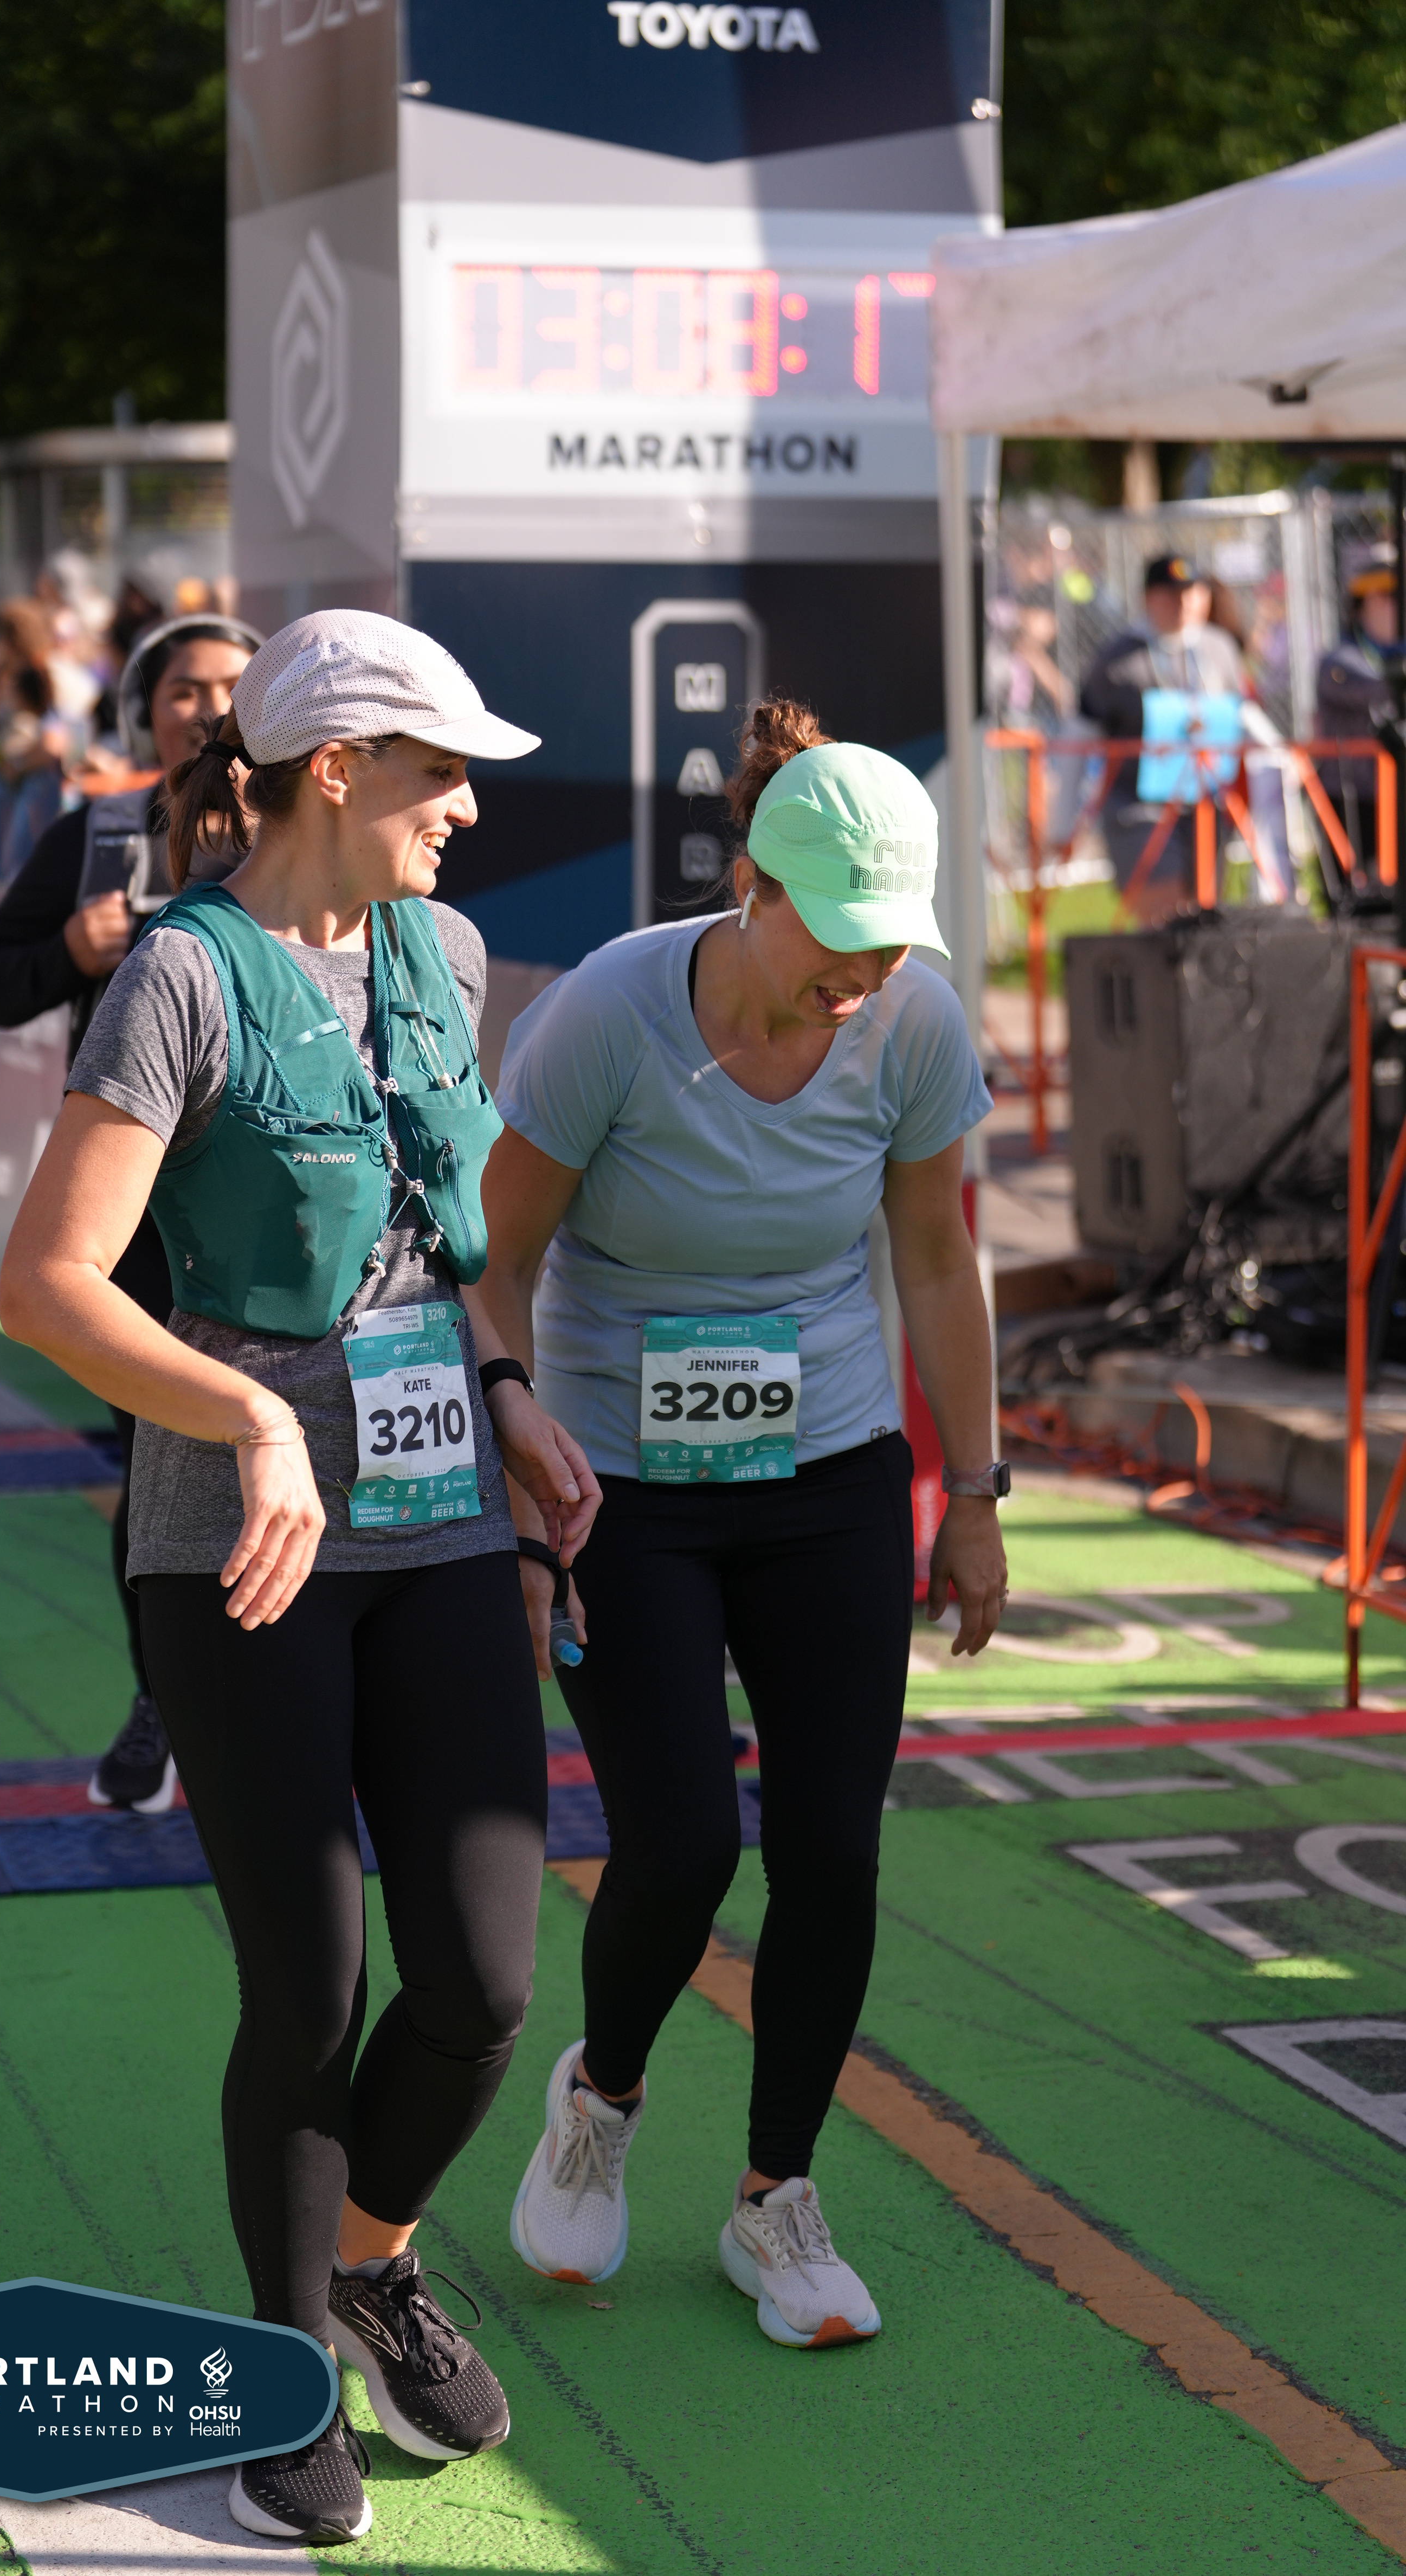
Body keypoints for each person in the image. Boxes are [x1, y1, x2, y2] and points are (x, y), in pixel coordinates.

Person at [0, 609, 599, 2545]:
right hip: (236, 1549)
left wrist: (506, 1388)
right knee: (310, 1988)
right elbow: (50, 1286)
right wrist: (251, 1416)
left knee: (486, 1980)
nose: (469, 806)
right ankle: (284, 2370)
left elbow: (440, 1240)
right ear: (336, 769)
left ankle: (373, 2260)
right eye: (441, 770)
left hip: (442, 1526)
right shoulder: (181, 976)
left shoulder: (449, 952)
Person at [480, 703, 1008, 2349]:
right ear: (754, 890)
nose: (865, 969)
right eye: (837, 933)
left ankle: (775, 2196)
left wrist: (974, 1492)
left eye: (891, 939)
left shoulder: (911, 1023)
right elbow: (495, 1261)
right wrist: (519, 1479)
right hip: (616, 1481)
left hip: (830, 1468)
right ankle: (602, 2096)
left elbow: (937, 1256)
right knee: (685, 1841)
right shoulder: (608, 1012)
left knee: (833, 1849)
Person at [0, 613, 261, 1810]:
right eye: (184, 688)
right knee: (161, 1467)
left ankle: (294, 1711)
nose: (208, 707)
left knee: (312, 1457)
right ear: (145, 709)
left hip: (289, 1217)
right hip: (135, 1222)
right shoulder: (94, 835)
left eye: (233, 686)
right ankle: (166, 1701)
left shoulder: (307, 835)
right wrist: (69, 955)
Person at [1079, 553, 1248, 923]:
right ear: (1149, 598)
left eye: (1192, 593)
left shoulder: (1219, 648)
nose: (1184, 604)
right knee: (1166, 921)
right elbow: (1082, 731)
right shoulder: (1118, 659)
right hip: (1141, 808)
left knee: (1204, 921)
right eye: (1171, 595)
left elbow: (1241, 714)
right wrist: (1065, 817)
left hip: (1205, 805)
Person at [1315, 545, 1398, 884]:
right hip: (1352, 802)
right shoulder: (1339, 660)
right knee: (1359, 900)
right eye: (1390, 597)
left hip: (1396, 796)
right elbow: (1379, 688)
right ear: (1366, 602)